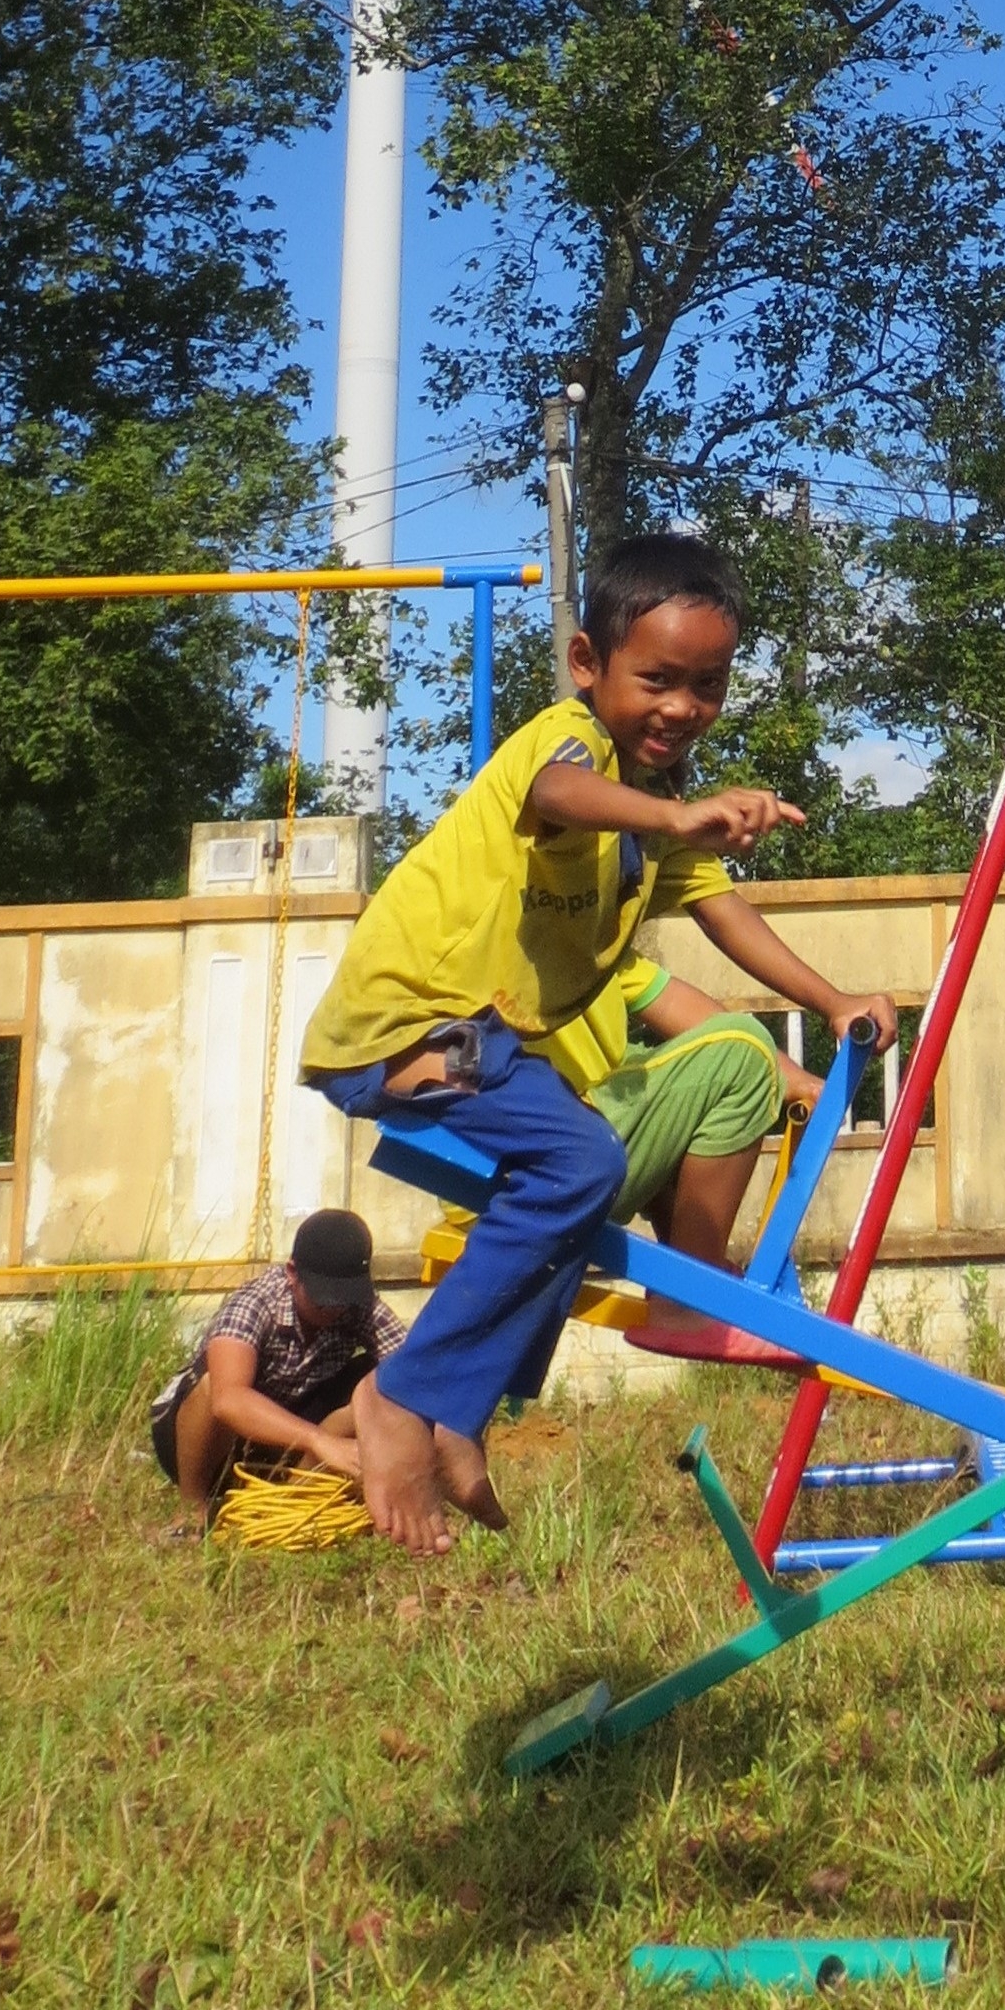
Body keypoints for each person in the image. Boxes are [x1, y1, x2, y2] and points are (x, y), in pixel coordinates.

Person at [300, 532, 894, 1557]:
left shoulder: (654, 815)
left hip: (478, 1043)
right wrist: (683, 813)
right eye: (657, 678)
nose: (682, 706)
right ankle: (401, 1399)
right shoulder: (565, 743)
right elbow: (558, 798)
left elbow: (723, 913)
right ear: (589, 665)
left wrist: (831, 996)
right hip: (406, 1028)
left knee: (575, 1179)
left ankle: (458, 1415)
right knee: (582, 1160)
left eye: (706, 685)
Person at [149, 1208, 406, 1523]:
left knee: (384, 1384)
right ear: (292, 1273)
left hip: (286, 1434)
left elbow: (415, 1373)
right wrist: (320, 1441)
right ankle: (191, 1512)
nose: (335, 1309)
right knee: (210, 1385)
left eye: (344, 1298)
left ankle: (294, 1500)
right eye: (323, 1298)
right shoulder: (254, 1304)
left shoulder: (359, 1307)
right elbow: (228, 1399)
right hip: (201, 1438)